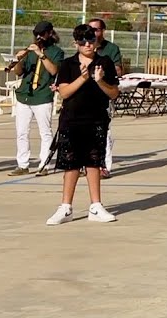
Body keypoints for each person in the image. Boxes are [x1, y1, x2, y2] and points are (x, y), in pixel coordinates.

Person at [47, 24, 120, 224]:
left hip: (96, 119)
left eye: (91, 40)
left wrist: (100, 81)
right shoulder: (68, 64)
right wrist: (83, 77)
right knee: (70, 164)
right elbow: (64, 92)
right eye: (83, 41)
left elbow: (114, 93)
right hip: (71, 119)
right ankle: (65, 207)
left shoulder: (104, 62)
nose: (88, 45)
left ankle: (95, 206)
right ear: (76, 43)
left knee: (93, 162)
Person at [6, 21, 63, 176]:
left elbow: (53, 71)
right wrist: (17, 60)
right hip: (25, 94)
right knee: (22, 131)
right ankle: (22, 165)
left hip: (43, 95)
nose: (38, 37)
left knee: (45, 132)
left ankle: (44, 164)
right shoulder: (29, 51)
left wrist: (40, 54)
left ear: (49, 34)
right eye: (36, 34)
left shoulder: (56, 52)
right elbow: (19, 72)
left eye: (42, 34)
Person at [87, 18, 123, 178]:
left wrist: (101, 72)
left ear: (102, 31)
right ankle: (86, 164)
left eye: (96, 29)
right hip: (85, 94)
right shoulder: (85, 46)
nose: (93, 33)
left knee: (103, 132)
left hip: (103, 94)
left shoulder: (111, 49)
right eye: (90, 29)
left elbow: (118, 70)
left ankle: (104, 165)